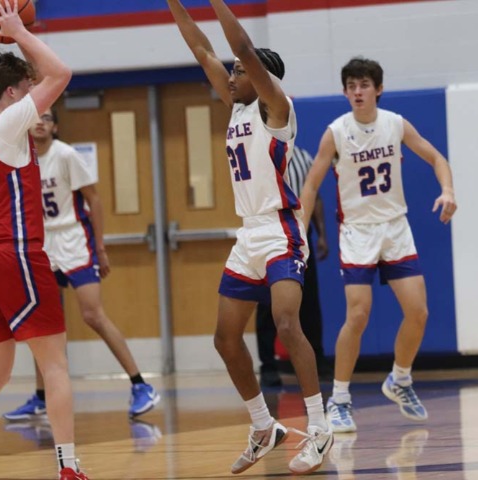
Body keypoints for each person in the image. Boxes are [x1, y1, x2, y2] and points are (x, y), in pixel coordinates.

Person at [167, 0, 333, 475]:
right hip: (249, 235)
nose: (231, 75)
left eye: (240, 71)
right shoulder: (237, 108)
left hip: (281, 230)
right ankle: (264, 427)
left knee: (286, 322)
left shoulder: (278, 110)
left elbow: (240, 45)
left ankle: (320, 428)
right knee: (225, 339)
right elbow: (203, 50)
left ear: (263, 79)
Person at [0, 2, 88, 479]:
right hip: (17, 254)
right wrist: (19, 30)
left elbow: (46, 76)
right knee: (55, 364)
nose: (37, 96)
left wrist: (16, 41)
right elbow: (61, 72)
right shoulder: (7, 125)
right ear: (11, 92)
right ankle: (69, 468)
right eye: (28, 89)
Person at [300, 57, 457, 433]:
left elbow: (436, 157)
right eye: (351, 86)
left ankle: (400, 379)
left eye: (364, 85)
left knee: (418, 312)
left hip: (395, 228)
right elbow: (310, 184)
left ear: (378, 89)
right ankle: (339, 399)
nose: (358, 91)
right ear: (345, 92)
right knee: (358, 315)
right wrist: (299, 235)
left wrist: (448, 190)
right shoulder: (336, 132)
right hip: (357, 231)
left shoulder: (395, 123)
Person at [2, 108, 160, 421]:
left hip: (74, 239)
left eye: (47, 118)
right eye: (36, 117)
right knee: (42, 323)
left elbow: (94, 200)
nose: (40, 122)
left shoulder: (66, 155)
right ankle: (41, 397)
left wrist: (100, 247)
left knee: (92, 315)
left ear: (55, 127)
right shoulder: (21, 161)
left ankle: (140, 385)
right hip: (43, 245)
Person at [256, 146, 331, 388]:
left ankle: (317, 360)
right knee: (267, 303)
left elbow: (316, 198)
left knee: (309, 301)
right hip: (271, 234)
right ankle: (268, 365)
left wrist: (322, 235)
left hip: (301, 234)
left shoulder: (304, 157)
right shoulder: (261, 155)